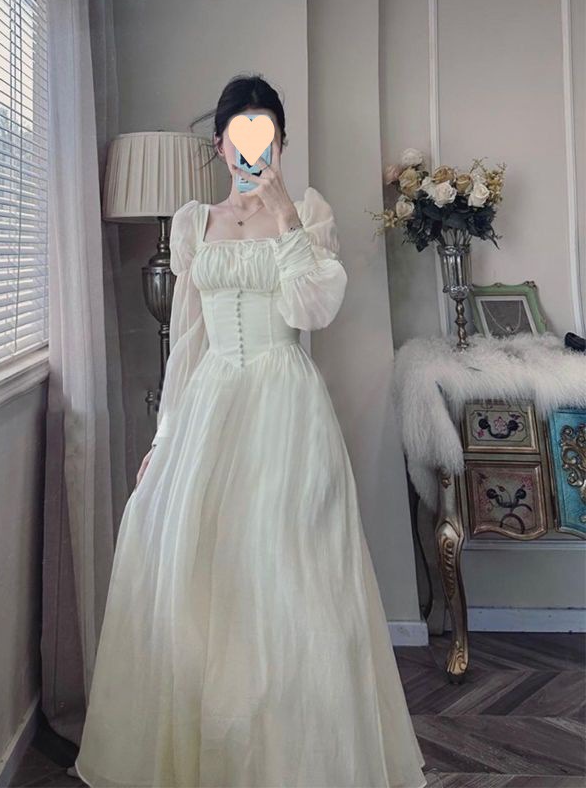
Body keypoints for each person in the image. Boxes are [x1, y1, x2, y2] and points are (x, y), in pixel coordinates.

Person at [72, 75, 427, 788]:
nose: (253, 151)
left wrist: (285, 214)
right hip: (211, 403)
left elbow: (313, 309)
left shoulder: (309, 213)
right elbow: (188, 339)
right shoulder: (192, 222)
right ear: (221, 144)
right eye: (240, 137)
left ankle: (297, 762)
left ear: (282, 143)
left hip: (285, 405)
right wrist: (164, 438)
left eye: (267, 137)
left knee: (291, 577)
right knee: (195, 569)